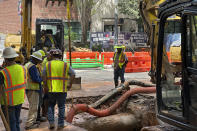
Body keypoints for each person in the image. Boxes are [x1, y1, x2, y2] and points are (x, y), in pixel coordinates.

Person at [42, 49, 75, 129]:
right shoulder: (65, 65)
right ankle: (60, 124)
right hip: (62, 90)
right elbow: (73, 74)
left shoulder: (48, 64)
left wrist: (45, 86)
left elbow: (43, 75)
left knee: (50, 106)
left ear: (52, 56)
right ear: (60, 56)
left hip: (51, 89)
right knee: (61, 107)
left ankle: (52, 123)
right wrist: (70, 84)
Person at [0, 47, 27, 131]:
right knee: (16, 121)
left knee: (11, 123)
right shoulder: (23, 68)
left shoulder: (3, 72)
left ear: (5, 59)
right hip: (19, 99)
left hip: (8, 102)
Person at [25, 51, 43, 130]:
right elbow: (36, 79)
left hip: (28, 87)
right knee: (33, 107)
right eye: (39, 60)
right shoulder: (32, 67)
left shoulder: (27, 64)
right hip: (33, 89)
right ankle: (29, 124)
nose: (39, 61)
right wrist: (42, 79)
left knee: (33, 106)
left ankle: (33, 120)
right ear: (35, 59)